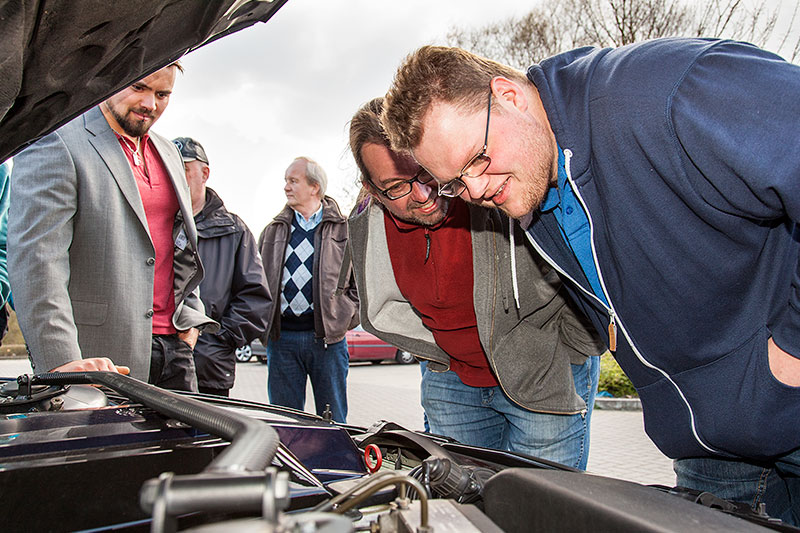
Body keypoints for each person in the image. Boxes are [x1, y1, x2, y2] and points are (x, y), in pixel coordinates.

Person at [381, 39, 800, 524]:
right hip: (711, 450)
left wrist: (792, 348)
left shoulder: (668, 89)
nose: (475, 190)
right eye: (455, 182)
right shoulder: (532, 183)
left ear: (508, 96)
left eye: (476, 159)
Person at [347, 98, 604, 469]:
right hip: (451, 385)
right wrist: (436, 358)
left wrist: (576, 348)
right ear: (371, 189)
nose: (422, 196)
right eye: (396, 187)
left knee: (543, 498)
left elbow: (580, 258)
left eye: (425, 174)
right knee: (462, 500)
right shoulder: (367, 227)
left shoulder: (490, 185)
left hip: (543, 376)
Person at [9, 63, 217, 391]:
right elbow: (37, 259)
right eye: (139, 87)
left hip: (176, 350)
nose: (150, 103)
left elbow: (180, 244)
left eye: (162, 94)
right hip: (97, 357)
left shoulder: (169, 152)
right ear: (110, 79)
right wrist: (60, 361)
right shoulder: (57, 140)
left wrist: (191, 316)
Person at [258, 157, 359, 423]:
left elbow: (361, 283)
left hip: (327, 342)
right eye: (286, 181)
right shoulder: (272, 231)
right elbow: (257, 283)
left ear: (315, 187)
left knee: (334, 420)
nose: (286, 187)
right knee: (285, 421)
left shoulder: (345, 230)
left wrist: (345, 317)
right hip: (282, 341)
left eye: (293, 181)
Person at [173, 136, 272, 396]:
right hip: (154, 368)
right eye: (170, 168)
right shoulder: (152, 223)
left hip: (208, 366)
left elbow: (255, 299)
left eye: (184, 169)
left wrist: (217, 338)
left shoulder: (234, 231)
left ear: (204, 173)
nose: (176, 176)